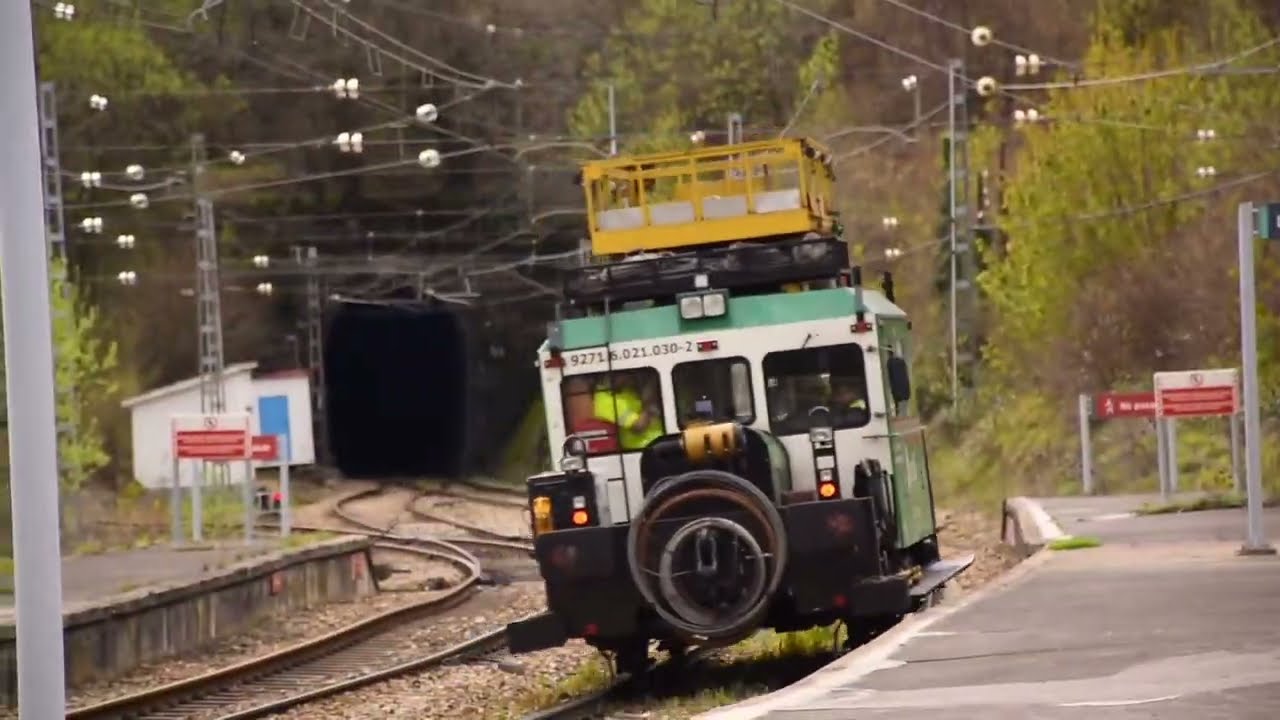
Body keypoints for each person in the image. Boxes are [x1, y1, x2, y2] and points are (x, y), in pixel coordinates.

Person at [593, 374, 664, 450]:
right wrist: (651, 401)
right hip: (643, 447)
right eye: (627, 373)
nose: (632, 376)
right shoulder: (604, 401)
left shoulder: (625, 390)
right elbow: (639, 426)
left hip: (660, 440)